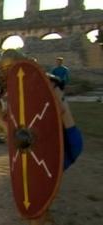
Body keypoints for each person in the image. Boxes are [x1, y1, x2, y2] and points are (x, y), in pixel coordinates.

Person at [29, 73, 83, 225]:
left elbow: (59, 111)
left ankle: (40, 216)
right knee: (42, 183)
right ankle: (44, 214)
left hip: (68, 144)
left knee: (40, 186)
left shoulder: (56, 95)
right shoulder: (45, 97)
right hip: (60, 142)